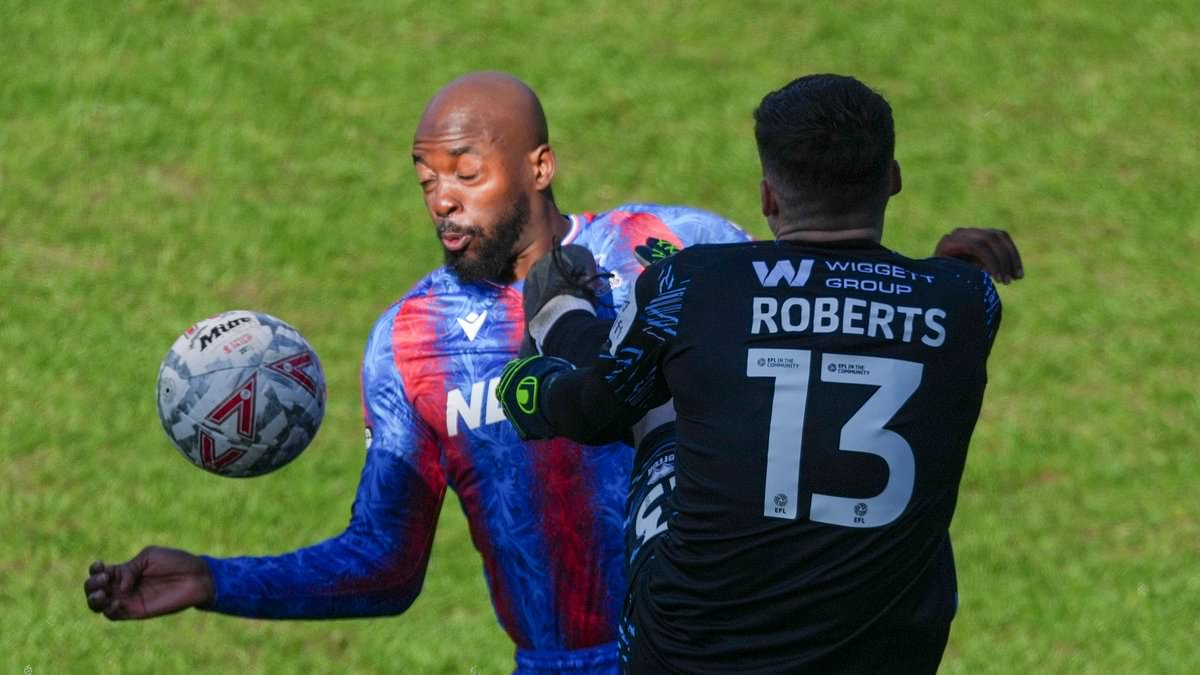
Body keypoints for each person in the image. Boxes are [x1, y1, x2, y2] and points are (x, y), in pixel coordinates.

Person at [85, 71, 1018, 673]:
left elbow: (825, 330)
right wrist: (214, 578)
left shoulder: (676, 245)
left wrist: (935, 277)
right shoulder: (407, 342)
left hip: (732, 646)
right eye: (426, 180)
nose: (443, 199)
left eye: (465, 172)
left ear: (538, 165)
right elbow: (386, 564)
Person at [498, 74, 1007, 673]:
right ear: (893, 178)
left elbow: (597, 406)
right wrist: (942, 267)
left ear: (768, 196)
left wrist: (535, 370)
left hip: (690, 656)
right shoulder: (968, 302)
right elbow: (877, 321)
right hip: (882, 654)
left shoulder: (693, 283)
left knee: (660, 414)